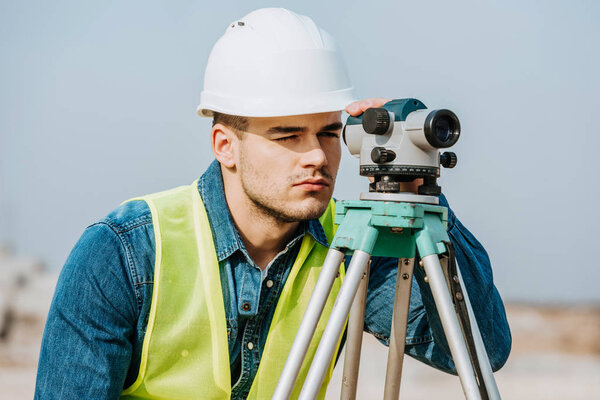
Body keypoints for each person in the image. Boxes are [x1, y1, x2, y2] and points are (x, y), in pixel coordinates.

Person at [34, 8, 511, 400]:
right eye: (287, 135)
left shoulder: (351, 249)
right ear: (224, 145)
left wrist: (418, 185)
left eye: (328, 133)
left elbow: (481, 352)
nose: (316, 156)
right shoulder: (123, 254)